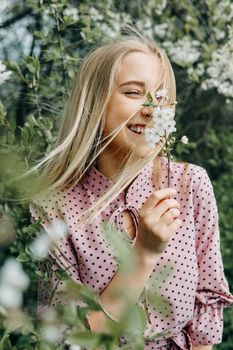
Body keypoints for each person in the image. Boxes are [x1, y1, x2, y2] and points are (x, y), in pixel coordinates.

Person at [29, 28, 233, 350]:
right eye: (134, 92)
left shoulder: (189, 185)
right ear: (96, 103)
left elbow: (203, 314)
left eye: (162, 97)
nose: (152, 108)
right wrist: (143, 254)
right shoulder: (55, 208)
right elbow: (70, 341)